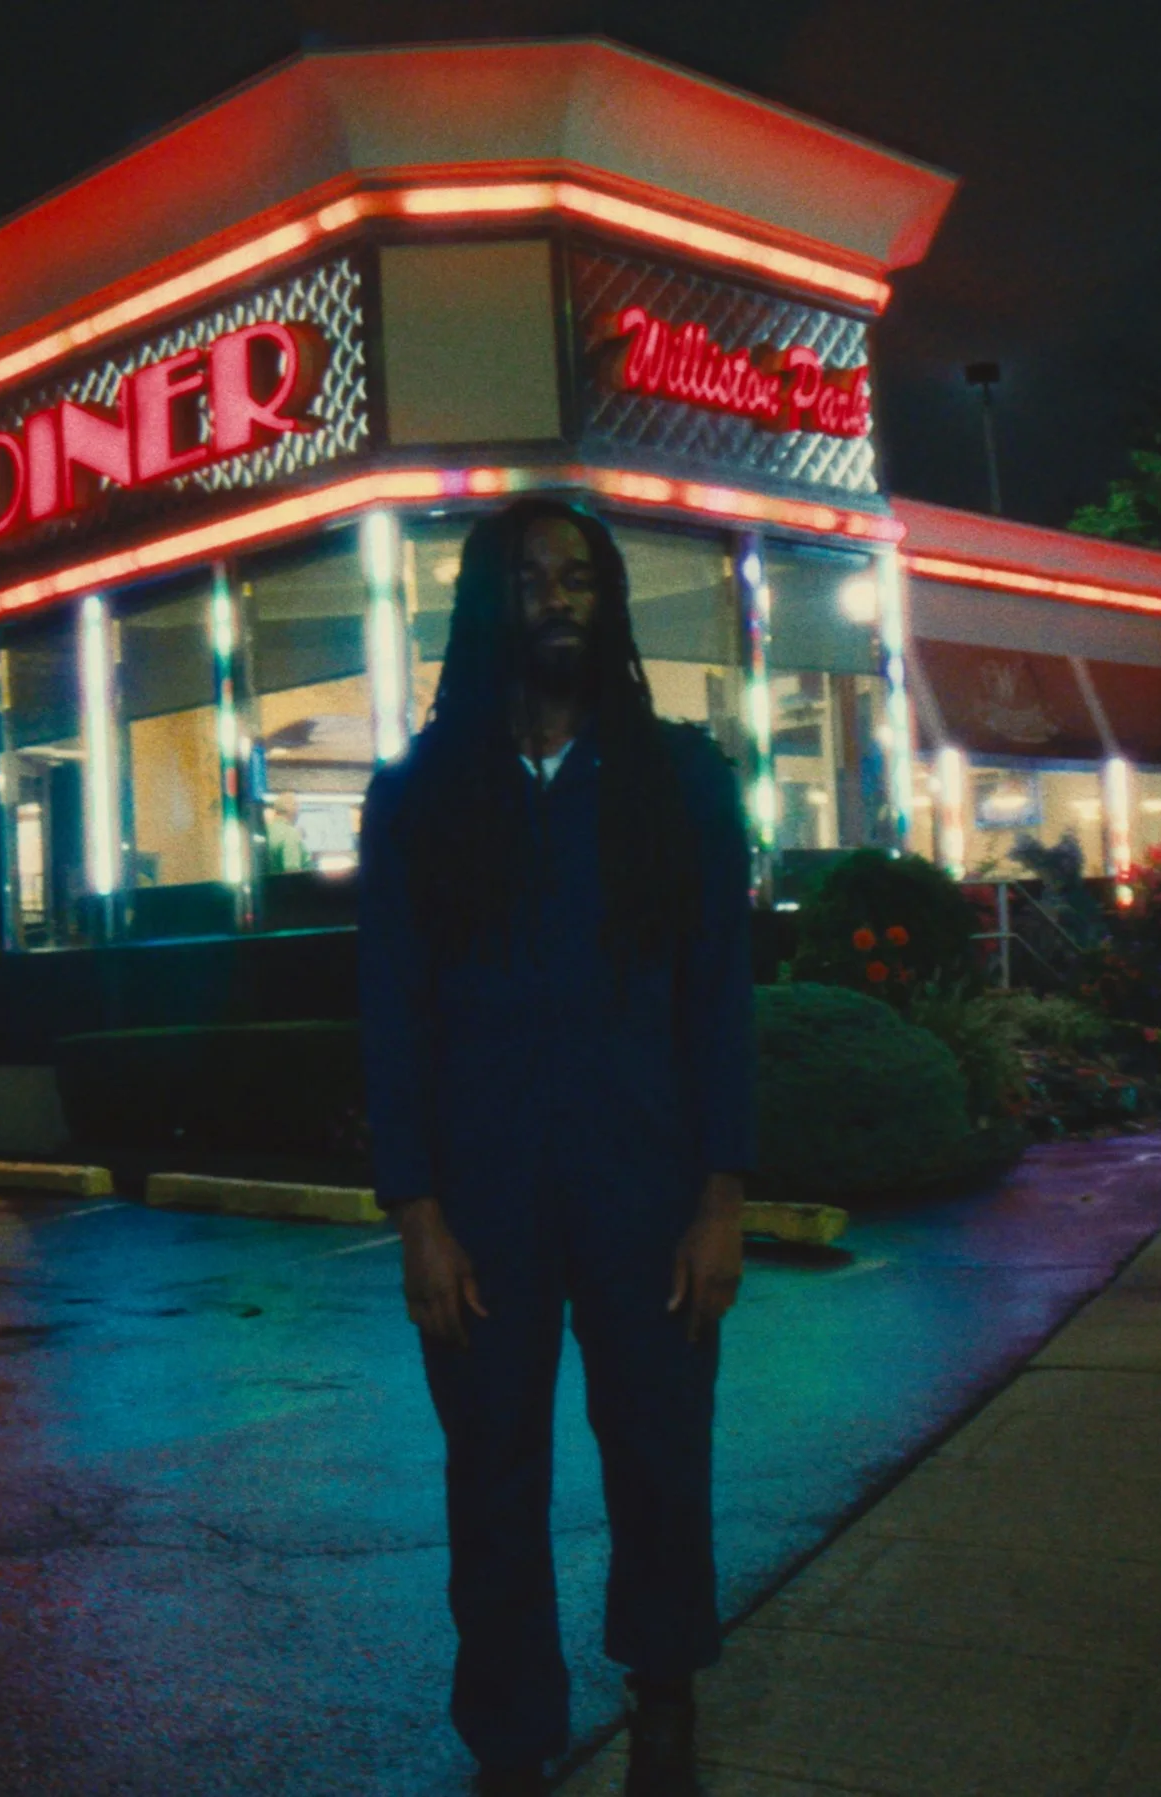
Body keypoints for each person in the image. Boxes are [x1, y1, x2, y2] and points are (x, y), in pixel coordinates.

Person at [359, 498, 755, 1797]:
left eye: (580, 577)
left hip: (649, 1186)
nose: (561, 598)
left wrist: (722, 1197)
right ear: (491, 605)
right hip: (480, 1202)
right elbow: (391, 1014)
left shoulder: (678, 782)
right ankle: (511, 1742)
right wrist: (416, 1212)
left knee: (659, 1457)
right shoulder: (420, 797)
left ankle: (664, 1703)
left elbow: (720, 997)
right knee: (493, 1477)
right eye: (532, 578)